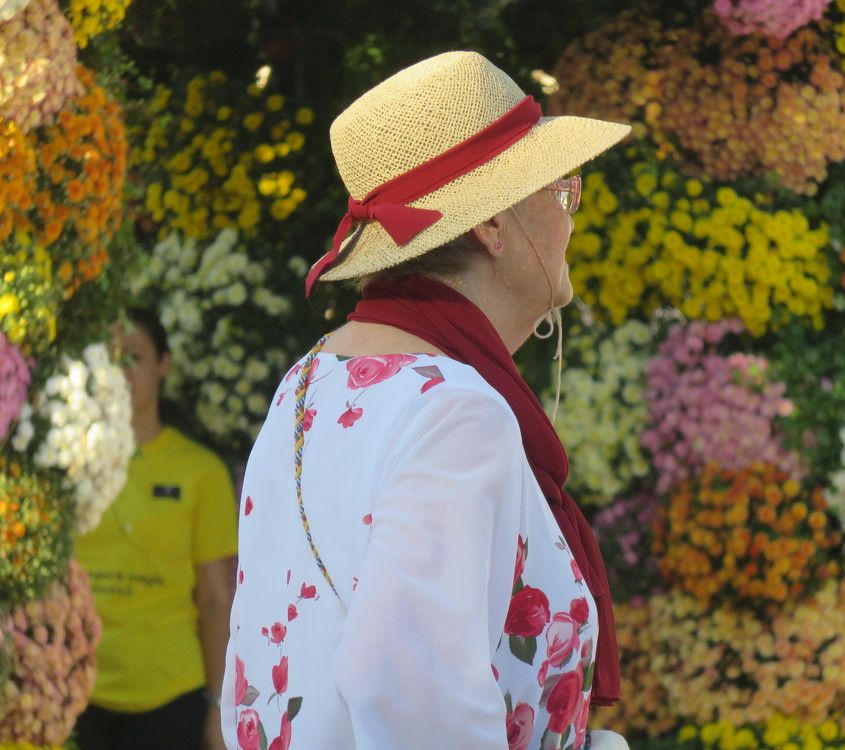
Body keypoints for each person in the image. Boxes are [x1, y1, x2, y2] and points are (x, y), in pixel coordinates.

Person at [221, 51, 630, 750]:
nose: (572, 214)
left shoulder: (309, 380)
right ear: (491, 227)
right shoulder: (454, 412)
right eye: (561, 192)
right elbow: (405, 687)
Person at [75, 307, 238, 750]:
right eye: (109, 358)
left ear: (164, 364)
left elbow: (215, 597)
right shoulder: (66, 461)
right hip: (74, 691)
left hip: (170, 695)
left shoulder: (201, 471)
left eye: (134, 356)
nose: (120, 371)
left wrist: (219, 706)